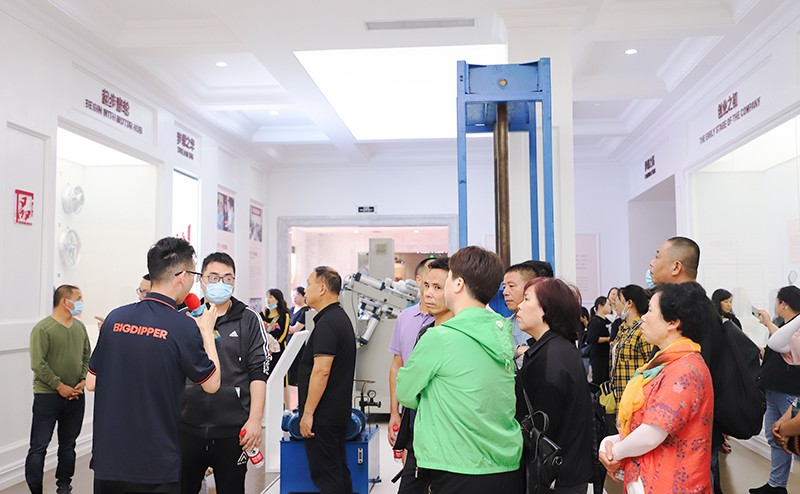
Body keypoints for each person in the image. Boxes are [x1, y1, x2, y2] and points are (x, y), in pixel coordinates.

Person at [86, 237, 221, 494]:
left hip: (108, 460)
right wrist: (206, 330)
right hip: (155, 462)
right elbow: (212, 384)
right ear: (182, 276)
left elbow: (91, 382)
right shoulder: (182, 327)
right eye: (194, 275)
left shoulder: (115, 318)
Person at [396, 246, 522, 493]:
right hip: (506, 465)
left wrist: (429, 393)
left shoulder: (438, 338)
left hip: (457, 465)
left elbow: (405, 392)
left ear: (458, 284)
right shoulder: (501, 332)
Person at [649, 236, 763, 494]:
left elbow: (698, 375)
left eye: (657, 256)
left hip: (690, 431)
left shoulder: (693, 310)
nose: (652, 263)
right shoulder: (690, 305)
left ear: (676, 266)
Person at [599, 282, 714, 493]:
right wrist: (610, 441)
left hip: (669, 483)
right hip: (649, 476)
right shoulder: (665, 362)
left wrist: (615, 451)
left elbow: (652, 433)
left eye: (650, 310)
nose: (644, 317)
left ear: (673, 322)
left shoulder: (685, 370)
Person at [180, 252, 269, 494]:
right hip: (187, 428)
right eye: (213, 277)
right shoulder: (183, 318)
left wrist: (255, 421)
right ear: (201, 280)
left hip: (232, 430)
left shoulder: (249, 319)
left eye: (228, 278)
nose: (221, 283)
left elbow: (259, 373)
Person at [515, 277, 593, 493]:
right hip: (565, 473)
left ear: (546, 310)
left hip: (553, 477)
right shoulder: (558, 347)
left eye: (526, 299)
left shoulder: (549, 358)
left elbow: (543, 427)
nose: (519, 306)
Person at [395, 256, 453, 494]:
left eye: (437, 287)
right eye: (427, 285)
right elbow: (408, 392)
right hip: (419, 443)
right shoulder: (425, 332)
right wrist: (408, 442)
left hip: (448, 446)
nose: (428, 293)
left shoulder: (458, 335)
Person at [25, 285, 91, 494]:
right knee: (39, 446)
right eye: (78, 298)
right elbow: (38, 364)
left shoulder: (80, 328)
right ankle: (36, 489)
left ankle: (64, 485)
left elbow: (86, 356)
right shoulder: (43, 329)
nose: (81, 302)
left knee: (68, 445)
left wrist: (83, 380)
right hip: (47, 397)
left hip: (75, 397)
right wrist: (60, 386)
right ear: (65, 301)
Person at [298, 266, 357, 494]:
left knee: (328, 476)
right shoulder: (337, 318)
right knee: (337, 470)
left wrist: (308, 413)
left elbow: (321, 371)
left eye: (309, 283)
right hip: (334, 413)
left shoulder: (328, 323)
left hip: (322, 417)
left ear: (322, 288)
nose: (305, 289)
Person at [749, 286, 800, 494]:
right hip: (774, 390)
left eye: (777, 301)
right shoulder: (785, 327)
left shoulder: (793, 330)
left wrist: (769, 323)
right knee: (776, 437)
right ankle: (776, 484)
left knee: (790, 438)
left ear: (783, 304)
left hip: (788, 392)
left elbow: (779, 343)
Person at [387, 257, 435, 446]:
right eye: (429, 283)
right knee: (409, 456)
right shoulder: (405, 318)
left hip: (437, 405)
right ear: (419, 280)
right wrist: (394, 412)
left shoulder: (449, 319)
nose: (432, 290)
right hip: (411, 404)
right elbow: (396, 367)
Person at [609, 285, 653, 401]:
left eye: (619, 299)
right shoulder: (622, 328)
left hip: (635, 399)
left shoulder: (643, 331)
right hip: (620, 395)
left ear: (629, 303)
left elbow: (651, 367)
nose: (615, 304)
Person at [502, 262, 542, 363]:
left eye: (511, 286)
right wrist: (518, 350)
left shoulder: (545, 323)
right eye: (504, 287)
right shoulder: (504, 325)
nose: (505, 292)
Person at [260, 288, 290, 375]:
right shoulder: (262, 314)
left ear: (277, 300)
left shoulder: (284, 315)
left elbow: (284, 334)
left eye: (271, 297)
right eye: (267, 297)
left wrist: (274, 346)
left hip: (278, 349)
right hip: (264, 349)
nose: (268, 299)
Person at [586, 296, 612, 384]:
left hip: (607, 356)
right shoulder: (594, 322)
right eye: (608, 304)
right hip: (598, 357)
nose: (610, 307)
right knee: (599, 381)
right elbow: (592, 338)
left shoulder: (608, 321)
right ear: (600, 306)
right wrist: (608, 339)